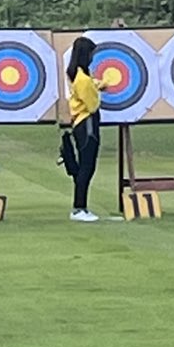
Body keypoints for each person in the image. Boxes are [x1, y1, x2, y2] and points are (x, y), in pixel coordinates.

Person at [63, 36, 102, 222]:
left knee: (85, 167)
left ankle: (80, 207)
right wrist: (98, 89)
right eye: (92, 53)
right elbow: (93, 105)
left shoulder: (79, 76)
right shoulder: (83, 80)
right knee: (87, 167)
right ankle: (79, 208)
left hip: (81, 124)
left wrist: (97, 85)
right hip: (87, 124)